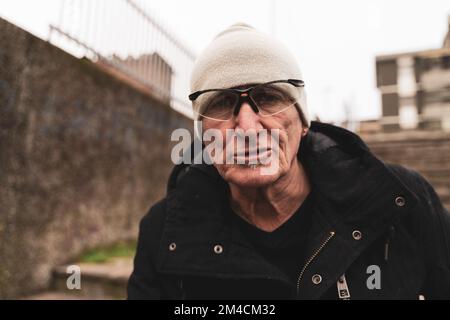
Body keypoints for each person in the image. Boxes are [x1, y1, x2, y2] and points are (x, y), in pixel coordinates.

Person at [128, 23, 450, 300]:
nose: (248, 128)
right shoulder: (163, 235)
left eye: (267, 98)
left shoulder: (402, 203)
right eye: (223, 103)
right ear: (204, 134)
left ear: (303, 121)